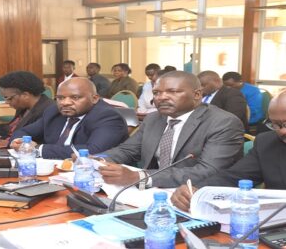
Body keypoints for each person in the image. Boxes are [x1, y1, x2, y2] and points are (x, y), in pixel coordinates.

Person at [99, 71, 244, 188]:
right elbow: (127, 150)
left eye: (173, 92)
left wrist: (141, 177)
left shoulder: (223, 123)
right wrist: (98, 160)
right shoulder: (153, 118)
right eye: (156, 93)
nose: (161, 98)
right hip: (152, 191)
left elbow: (209, 170)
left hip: (195, 193)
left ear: (197, 95)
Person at [171, 92, 286, 212]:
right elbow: (232, 177)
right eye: (276, 125)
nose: (282, 131)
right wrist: (196, 190)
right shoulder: (267, 142)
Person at [10, 77, 128, 159]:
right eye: (60, 98)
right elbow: (24, 131)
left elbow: (93, 150)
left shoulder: (107, 117)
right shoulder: (54, 111)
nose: (65, 103)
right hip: (52, 170)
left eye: (75, 97)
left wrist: (38, 149)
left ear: (95, 98)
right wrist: (18, 142)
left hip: (92, 173)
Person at [0, 71, 54, 139]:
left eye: (9, 98)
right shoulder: (23, 107)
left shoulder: (49, 110)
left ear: (25, 95)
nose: (6, 102)